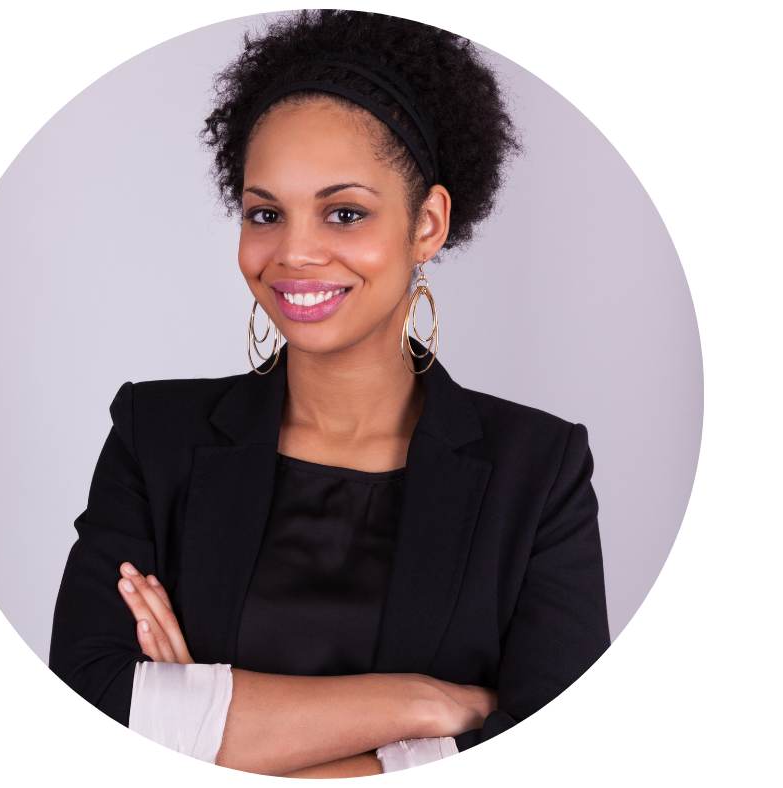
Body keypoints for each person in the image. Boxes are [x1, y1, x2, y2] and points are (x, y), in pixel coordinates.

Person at [49, 10, 609, 777]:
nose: (295, 252)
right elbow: (94, 690)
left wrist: (206, 721)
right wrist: (423, 704)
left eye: (344, 213)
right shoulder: (156, 437)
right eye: (265, 214)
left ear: (427, 224)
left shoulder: (538, 472)